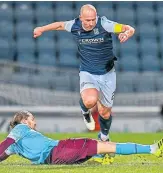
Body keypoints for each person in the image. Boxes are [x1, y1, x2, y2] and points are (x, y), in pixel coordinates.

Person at [33, 4, 135, 155]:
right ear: (80, 18)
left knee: (105, 112)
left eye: (93, 19)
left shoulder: (104, 24)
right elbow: (59, 25)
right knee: (90, 100)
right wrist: (41, 28)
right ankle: (85, 110)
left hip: (108, 73)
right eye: (87, 20)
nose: (90, 23)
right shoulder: (74, 25)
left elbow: (129, 28)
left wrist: (127, 33)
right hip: (88, 72)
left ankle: (104, 137)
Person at [0, 111, 163, 165]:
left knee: (101, 146)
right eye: (32, 119)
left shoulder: (15, 146)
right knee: (108, 145)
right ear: (23, 121)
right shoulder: (20, 129)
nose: (34, 122)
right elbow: (5, 144)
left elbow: (3, 153)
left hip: (56, 157)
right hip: (60, 150)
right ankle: (152, 149)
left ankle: (100, 156)